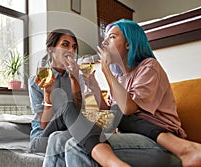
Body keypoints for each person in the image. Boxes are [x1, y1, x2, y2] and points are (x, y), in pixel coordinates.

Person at [40, 19, 201, 167]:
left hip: (158, 145)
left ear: (128, 44)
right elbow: (110, 114)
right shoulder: (119, 78)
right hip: (130, 136)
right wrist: (94, 86)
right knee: (57, 139)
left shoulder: (149, 67)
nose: (104, 42)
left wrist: (106, 71)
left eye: (112, 37)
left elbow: (127, 110)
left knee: (75, 145)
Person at [28, 28, 85, 158]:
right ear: (51, 49)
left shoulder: (77, 78)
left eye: (74, 47)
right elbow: (45, 125)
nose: (71, 51)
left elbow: (78, 116)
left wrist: (74, 80)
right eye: (65, 45)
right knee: (68, 109)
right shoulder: (36, 81)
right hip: (43, 138)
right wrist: (48, 94)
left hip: (70, 133)